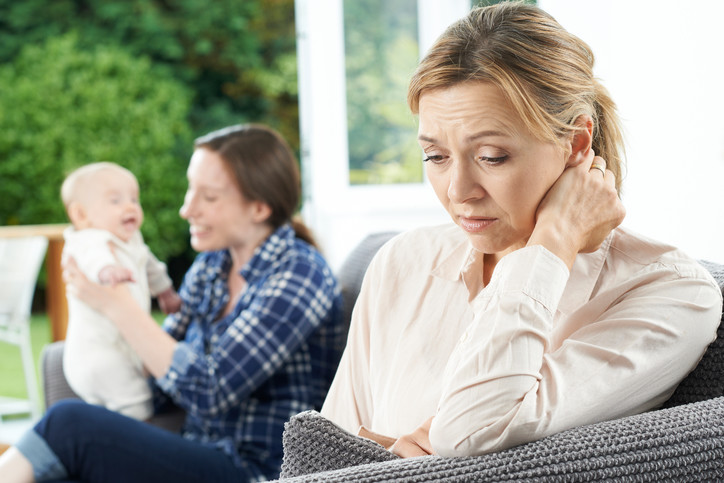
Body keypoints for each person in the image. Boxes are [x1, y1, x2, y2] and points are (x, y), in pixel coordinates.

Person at [320, 2, 722, 459]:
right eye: (435, 157)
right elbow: (328, 456)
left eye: (491, 157)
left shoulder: (671, 292)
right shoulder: (404, 259)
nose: (459, 191)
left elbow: (470, 431)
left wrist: (554, 241)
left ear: (576, 144)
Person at [0, 124, 344, 482]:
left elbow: (212, 391)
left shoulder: (299, 275)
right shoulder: (214, 265)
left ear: (258, 208)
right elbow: (161, 370)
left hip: (257, 470)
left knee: (67, 424)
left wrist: (117, 306)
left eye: (208, 197)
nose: (186, 209)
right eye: (190, 189)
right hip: (195, 449)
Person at [60, 162, 181, 421]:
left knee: (113, 409)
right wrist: (107, 270)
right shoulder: (87, 240)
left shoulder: (131, 241)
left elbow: (151, 267)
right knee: (137, 406)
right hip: (97, 353)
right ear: (81, 215)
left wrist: (165, 292)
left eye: (134, 199)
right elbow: (93, 259)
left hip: (121, 347)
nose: (130, 207)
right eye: (115, 201)